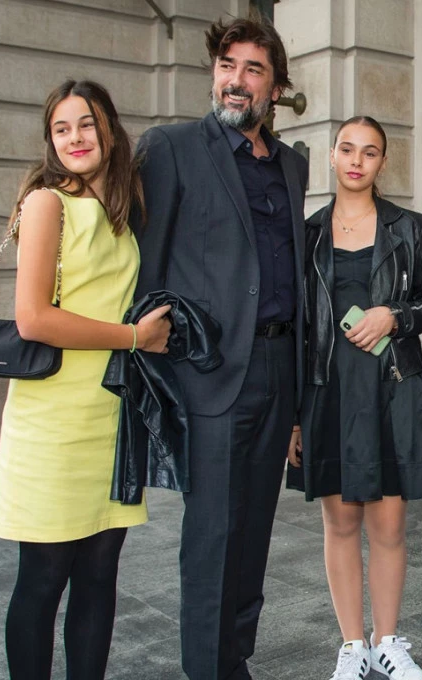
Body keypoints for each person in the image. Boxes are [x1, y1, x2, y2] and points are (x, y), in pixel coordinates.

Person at [132, 14, 308, 680]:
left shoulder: (292, 165)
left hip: (279, 367)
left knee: (254, 531)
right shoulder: (171, 148)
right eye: (227, 65)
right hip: (210, 373)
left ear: (275, 87)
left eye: (253, 69)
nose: (236, 80)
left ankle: (234, 661)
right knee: (212, 535)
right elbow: (147, 265)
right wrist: (162, 363)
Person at [0, 79, 172, 679]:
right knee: (43, 579)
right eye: (61, 128)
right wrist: (133, 337)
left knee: (99, 576)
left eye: (86, 124)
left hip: (110, 417)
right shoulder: (47, 202)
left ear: (110, 131)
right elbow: (33, 318)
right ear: (49, 140)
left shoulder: (122, 211)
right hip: (52, 423)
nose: (75, 138)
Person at [287, 116, 422, 680]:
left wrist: (394, 316)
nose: (357, 160)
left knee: (388, 527)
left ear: (383, 162)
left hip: (392, 388)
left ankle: (387, 642)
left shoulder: (409, 227)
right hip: (328, 392)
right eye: (348, 149)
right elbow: (295, 328)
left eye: (370, 151)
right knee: (339, 525)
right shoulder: (307, 234)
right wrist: (293, 419)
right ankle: (353, 646)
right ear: (332, 156)